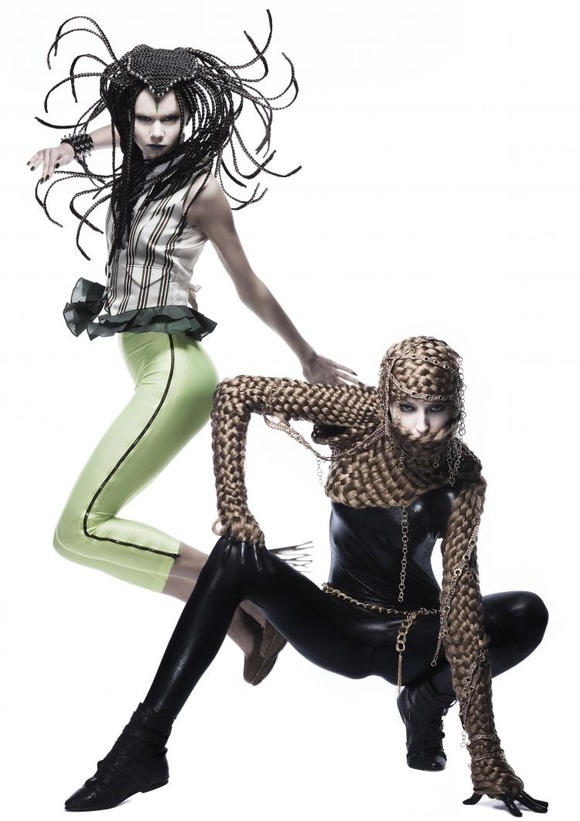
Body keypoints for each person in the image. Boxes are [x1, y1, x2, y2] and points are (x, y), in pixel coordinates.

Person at [63, 336, 549, 815]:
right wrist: (235, 510)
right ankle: (142, 747)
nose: (421, 426)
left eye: (435, 410)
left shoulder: (463, 478)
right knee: (234, 553)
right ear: (387, 398)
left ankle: (425, 702)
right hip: (337, 627)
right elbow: (235, 393)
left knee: (526, 611)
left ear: (455, 406)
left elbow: (462, 613)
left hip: (418, 640)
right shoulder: (357, 413)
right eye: (407, 407)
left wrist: (486, 757)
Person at [28, 14, 356, 685]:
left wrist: (307, 355)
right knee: (83, 534)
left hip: (177, 367)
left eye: (169, 119)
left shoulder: (201, 189)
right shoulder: (136, 155)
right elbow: (116, 132)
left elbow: (248, 284)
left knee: (79, 528)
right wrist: (69, 144)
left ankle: (252, 584)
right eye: (145, 119)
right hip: (147, 360)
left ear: (188, 118)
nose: (155, 132)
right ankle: (248, 623)